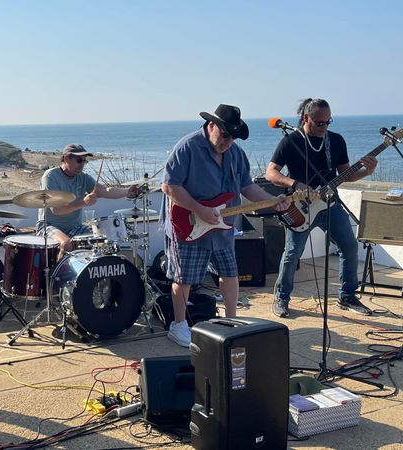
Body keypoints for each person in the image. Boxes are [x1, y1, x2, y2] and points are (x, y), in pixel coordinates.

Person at [161, 105, 291, 347]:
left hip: (222, 226)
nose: (228, 142)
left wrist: (273, 201)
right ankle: (178, 325)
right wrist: (199, 209)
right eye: (224, 135)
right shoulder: (187, 147)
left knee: (230, 273)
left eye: (233, 137)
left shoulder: (236, 154)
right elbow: (169, 186)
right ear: (211, 125)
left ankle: (232, 322)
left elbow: (247, 187)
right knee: (183, 278)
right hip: (188, 222)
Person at [266, 98, 377, 318]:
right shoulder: (291, 141)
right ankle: (282, 297)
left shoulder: (335, 141)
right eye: (319, 123)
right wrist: (295, 184)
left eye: (328, 122)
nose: (324, 126)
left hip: (330, 204)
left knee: (349, 246)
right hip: (300, 207)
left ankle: (347, 296)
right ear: (305, 118)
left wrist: (367, 172)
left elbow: (346, 174)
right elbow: (271, 173)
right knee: (292, 253)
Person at [36, 143, 139, 254]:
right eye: (79, 160)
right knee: (66, 244)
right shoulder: (51, 176)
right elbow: (56, 210)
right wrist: (83, 203)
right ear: (66, 158)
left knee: (102, 240)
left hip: (75, 227)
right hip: (48, 226)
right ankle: (60, 266)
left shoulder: (83, 177)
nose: (82, 165)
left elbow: (105, 191)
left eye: (84, 161)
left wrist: (127, 192)